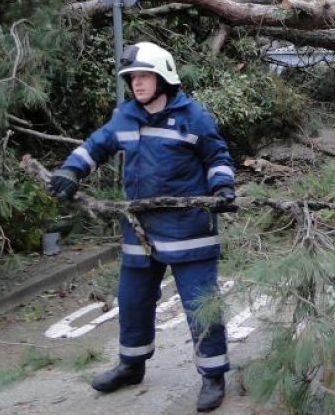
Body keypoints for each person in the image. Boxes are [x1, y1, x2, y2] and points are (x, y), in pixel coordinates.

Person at [49, 41, 236, 412]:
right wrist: (71, 170)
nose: (137, 83)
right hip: (139, 229)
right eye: (132, 77)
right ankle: (131, 365)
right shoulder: (125, 116)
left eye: (144, 76)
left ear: (163, 77)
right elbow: (95, 146)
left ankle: (213, 375)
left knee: (201, 305)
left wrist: (223, 187)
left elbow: (217, 155)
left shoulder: (193, 116)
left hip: (189, 230)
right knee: (133, 302)